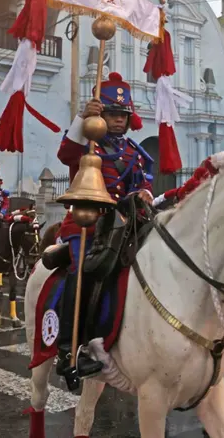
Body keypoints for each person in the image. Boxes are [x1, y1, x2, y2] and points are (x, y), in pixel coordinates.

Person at [56, 72, 153, 380]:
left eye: (122, 115)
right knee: (83, 270)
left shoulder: (134, 154)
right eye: (111, 114)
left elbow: (140, 186)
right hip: (85, 226)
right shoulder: (88, 146)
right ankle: (69, 350)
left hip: (123, 227)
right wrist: (83, 117)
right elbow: (65, 155)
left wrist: (145, 195)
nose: (117, 121)